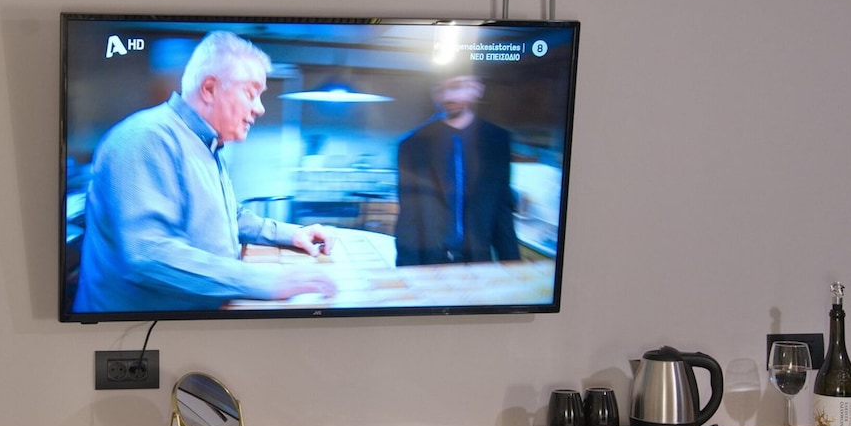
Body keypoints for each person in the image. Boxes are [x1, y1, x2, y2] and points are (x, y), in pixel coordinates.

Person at [73, 31, 338, 313]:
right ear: (210, 89)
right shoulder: (145, 139)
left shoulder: (208, 145)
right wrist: (265, 281)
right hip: (134, 331)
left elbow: (231, 217)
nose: (259, 108)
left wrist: (292, 234)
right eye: (251, 93)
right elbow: (149, 253)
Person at [394, 73, 522, 267]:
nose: (447, 96)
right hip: (429, 263)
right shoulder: (412, 144)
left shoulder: (497, 140)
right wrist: (406, 271)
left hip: (479, 262)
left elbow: (501, 210)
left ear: (477, 89)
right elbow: (408, 218)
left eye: (456, 86)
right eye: (440, 89)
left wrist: (514, 266)